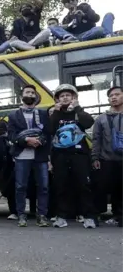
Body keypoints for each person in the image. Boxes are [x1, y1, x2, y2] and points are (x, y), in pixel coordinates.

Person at [50, 84, 96, 228]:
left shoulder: (78, 113)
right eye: (61, 96)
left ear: (74, 97)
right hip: (60, 155)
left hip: (79, 155)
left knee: (84, 185)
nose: (65, 98)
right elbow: (49, 129)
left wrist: (77, 107)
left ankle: (88, 216)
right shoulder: (55, 114)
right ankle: (61, 216)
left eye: (68, 95)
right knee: (61, 186)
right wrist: (56, 112)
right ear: (57, 99)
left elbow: (88, 122)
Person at [7, 85, 51, 227]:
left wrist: (40, 141)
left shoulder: (43, 114)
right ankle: (21, 215)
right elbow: (11, 135)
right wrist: (26, 140)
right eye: (27, 92)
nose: (30, 94)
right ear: (22, 95)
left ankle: (42, 215)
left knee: (43, 186)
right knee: (20, 186)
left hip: (40, 155)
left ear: (36, 96)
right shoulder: (13, 115)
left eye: (33, 93)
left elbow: (48, 133)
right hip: (22, 155)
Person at [29, 0, 114, 45]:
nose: (73, 2)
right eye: (70, 1)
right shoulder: (66, 18)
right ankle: (73, 40)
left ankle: (109, 36)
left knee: (102, 25)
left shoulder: (84, 7)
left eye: (74, 0)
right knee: (51, 27)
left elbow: (96, 18)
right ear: (66, 5)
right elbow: (65, 30)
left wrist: (84, 15)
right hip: (76, 37)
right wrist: (65, 26)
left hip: (90, 32)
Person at [92, 86, 123, 226]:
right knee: (103, 186)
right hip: (107, 159)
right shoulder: (101, 119)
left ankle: (119, 215)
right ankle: (97, 214)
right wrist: (95, 157)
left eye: (117, 94)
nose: (114, 97)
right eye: (111, 96)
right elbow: (96, 139)